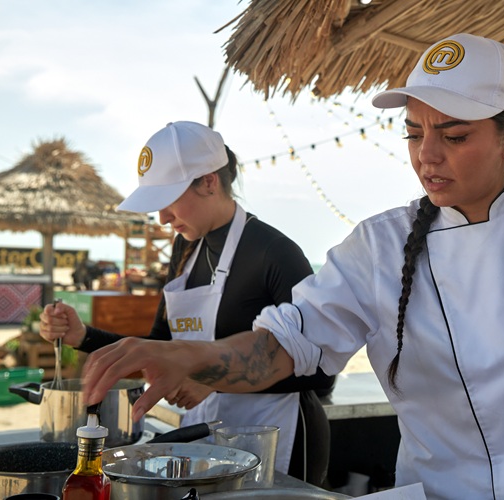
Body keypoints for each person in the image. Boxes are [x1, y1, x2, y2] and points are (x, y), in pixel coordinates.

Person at [81, 35, 504, 499]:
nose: (428, 154)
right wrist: (188, 359)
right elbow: (286, 342)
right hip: (434, 493)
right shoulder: (379, 247)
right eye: (414, 132)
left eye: (454, 136)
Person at [40, 121, 335, 485]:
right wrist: (83, 336)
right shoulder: (185, 249)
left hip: (278, 441)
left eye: (168, 201)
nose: (162, 219)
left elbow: (322, 374)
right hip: (206, 441)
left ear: (209, 181)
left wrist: (213, 378)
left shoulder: (275, 253)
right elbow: (160, 349)